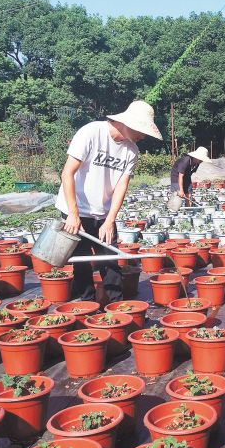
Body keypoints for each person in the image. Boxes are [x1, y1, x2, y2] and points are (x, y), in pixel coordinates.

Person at [56, 100, 162, 302]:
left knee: (110, 259)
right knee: (82, 260)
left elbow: (122, 185)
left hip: (104, 213)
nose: (143, 136)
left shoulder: (131, 150)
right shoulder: (91, 133)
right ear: (128, 124)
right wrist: (73, 214)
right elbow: (67, 173)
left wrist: (110, 219)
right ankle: (87, 304)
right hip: (75, 209)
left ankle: (117, 306)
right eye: (142, 130)